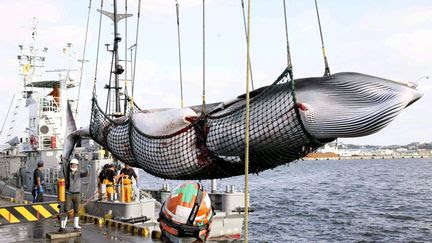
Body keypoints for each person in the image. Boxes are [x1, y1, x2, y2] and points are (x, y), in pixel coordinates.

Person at [59, 159, 90, 232]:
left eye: (75, 165)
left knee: (77, 210)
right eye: (72, 164)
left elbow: (85, 174)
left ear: (77, 166)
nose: (73, 166)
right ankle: (62, 226)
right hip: (68, 194)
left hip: (77, 194)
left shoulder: (79, 173)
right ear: (70, 165)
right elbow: (62, 172)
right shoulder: (66, 173)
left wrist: (88, 169)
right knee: (66, 210)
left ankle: (76, 225)